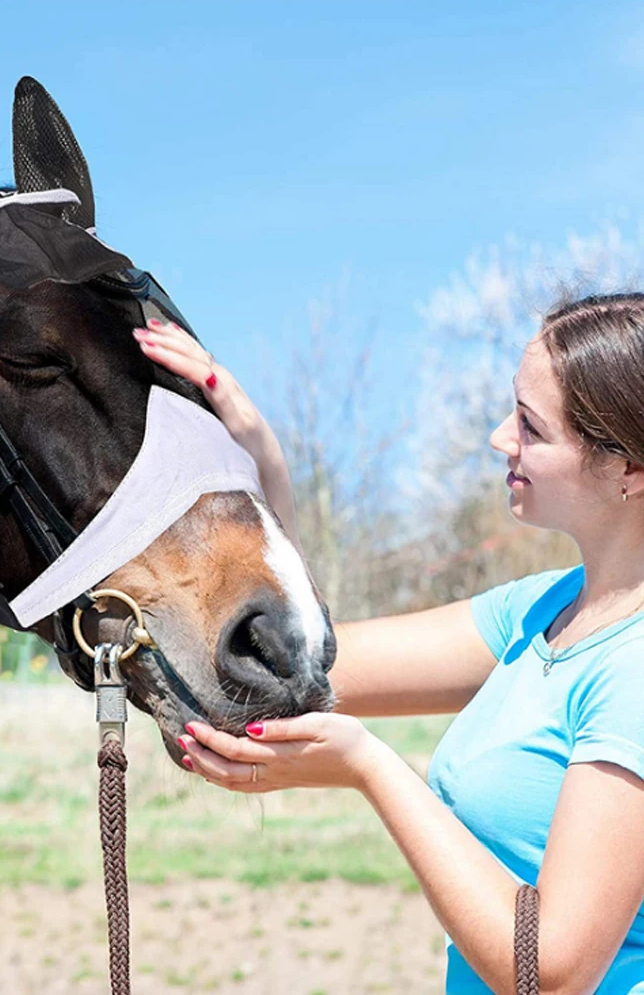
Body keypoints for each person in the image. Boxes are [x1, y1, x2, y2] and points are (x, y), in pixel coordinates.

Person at [132, 300, 644, 995]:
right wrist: (257, 450)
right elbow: (301, 667)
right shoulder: (544, 611)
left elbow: (548, 971)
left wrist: (372, 769)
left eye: (530, 425)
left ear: (628, 470)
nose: (500, 438)